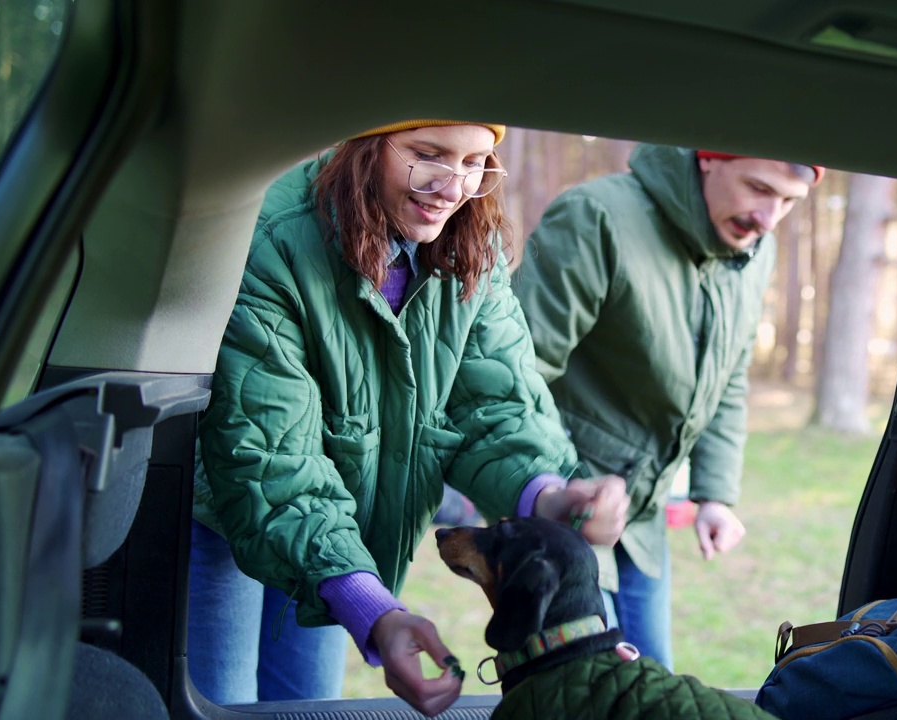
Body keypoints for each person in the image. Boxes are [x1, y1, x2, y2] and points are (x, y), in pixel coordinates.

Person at [191, 119, 629, 716]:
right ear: (362, 142)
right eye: (428, 156)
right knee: (220, 707)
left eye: (476, 162)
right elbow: (270, 457)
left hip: (343, 535)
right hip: (228, 516)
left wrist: (549, 495)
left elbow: (494, 404)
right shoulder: (271, 237)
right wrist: (372, 609)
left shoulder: (474, 245)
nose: (453, 187)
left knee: (307, 707)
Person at [512, 144, 822, 669]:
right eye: (760, 188)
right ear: (708, 157)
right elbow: (517, 373)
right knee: (588, 690)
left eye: (789, 202)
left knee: (653, 681)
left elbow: (728, 378)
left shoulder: (752, 247)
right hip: (568, 505)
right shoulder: (597, 218)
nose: (769, 219)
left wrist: (715, 494)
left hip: (645, 516)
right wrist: (551, 492)